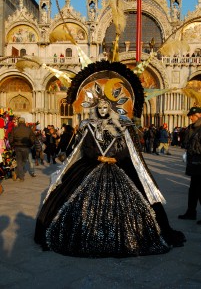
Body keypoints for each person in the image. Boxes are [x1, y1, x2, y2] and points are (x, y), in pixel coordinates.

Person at [34, 61, 185, 257]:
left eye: (107, 106)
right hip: (92, 165)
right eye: (101, 107)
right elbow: (86, 146)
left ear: (112, 106)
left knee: (140, 195)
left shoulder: (124, 125)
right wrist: (97, 157)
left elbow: (129, 148)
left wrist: (115, 158)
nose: (104, 110)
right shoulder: (89, 126)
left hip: (119, 165)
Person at [178, 106, 201, 223]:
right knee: (193, 190)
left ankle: (192, 212)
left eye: (191, 116)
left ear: (198, 115)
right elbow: (186, 142)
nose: (190, 118)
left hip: (200, 162)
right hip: (193, 163)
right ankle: (191, 212)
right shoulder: (191, 128)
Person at [9, 117, 35, 181]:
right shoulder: (28, 129)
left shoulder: (14, 129)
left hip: (17, 147)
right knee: (23, 161)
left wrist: (13, 145)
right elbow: (32, 139)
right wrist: (30, 145)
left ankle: (19, 175)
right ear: (24, 122)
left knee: (19, 162)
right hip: (26, 147)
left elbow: (11, 139)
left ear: (19, 122)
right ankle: (20, 175)